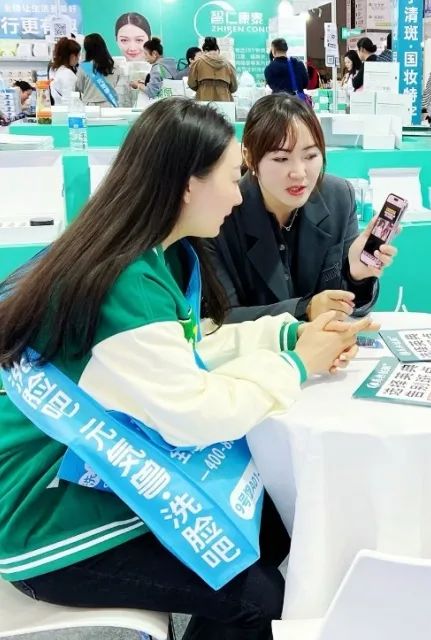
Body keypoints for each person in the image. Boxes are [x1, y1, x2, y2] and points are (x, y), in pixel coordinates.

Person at [0, 97, 373, 640]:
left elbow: (195, 345)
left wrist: (289, 334)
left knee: (271, 525)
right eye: (231, 176)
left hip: (100, 466)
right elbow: (194, 414)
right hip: (50, 515)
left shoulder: (155, 253)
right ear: (185, 186)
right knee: (260, 599)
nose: (238, 193)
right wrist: (296, 364)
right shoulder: (124, 285)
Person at [206, 94, 397, 323]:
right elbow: (222, 317)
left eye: (310, 156)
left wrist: (356, 275)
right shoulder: (220, 214)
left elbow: (346, 305)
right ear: (249, 157)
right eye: (281, 159)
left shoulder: (338, 197)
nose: (299, 173)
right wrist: (305, 309)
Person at [75, 33, 128, 108]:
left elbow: (79, 87)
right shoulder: (115, 65)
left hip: (89, 106)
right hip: (110, 104)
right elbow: (119, 84)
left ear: (87, 49)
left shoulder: (84, 67)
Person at [188, 37, 238, 102]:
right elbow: (234, 87)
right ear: (217, 50)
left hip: (203, 100)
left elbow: (191, 84)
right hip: (225, 101)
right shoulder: (228, 65)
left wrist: (202, 88)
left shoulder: (197, 63)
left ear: (205, 51)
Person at [49, 37, 81, 105]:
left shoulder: (55, 70)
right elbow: (70, 100)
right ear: (72, 56)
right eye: (78, 56)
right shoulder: (67, 74)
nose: (78, 59)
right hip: (69, 109)